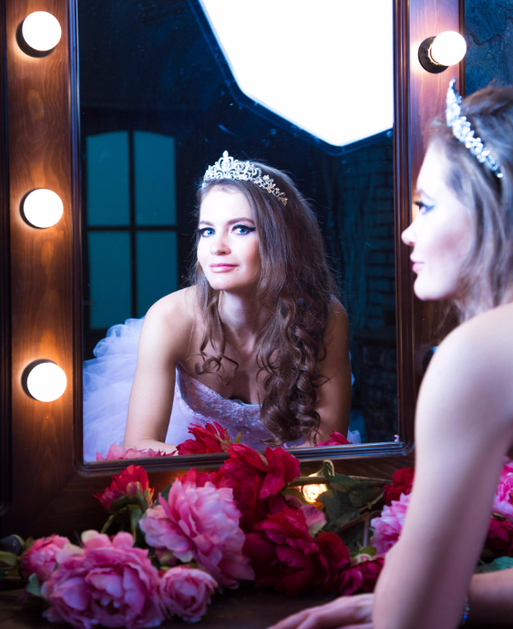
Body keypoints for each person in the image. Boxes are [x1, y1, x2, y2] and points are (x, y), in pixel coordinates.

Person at [268, 79, 513, 629]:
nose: (406, 233)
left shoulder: (478, 353)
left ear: (492, 205)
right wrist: (459, 597)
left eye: (426, 206)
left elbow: (416, 621)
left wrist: (408, 599)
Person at [83, 151, 353, 460]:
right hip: (191, 467)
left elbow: (326, 445)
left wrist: (264, 476)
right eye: (207, 231)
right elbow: (139, 445)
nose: (216, 247)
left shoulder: (325, 317)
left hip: (289, 474)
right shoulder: (170, 318)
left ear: (282, 238)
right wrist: (239, 470)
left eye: (241, 229)